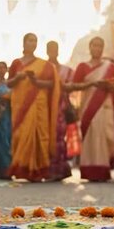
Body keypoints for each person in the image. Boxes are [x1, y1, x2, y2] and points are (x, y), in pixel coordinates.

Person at [69, 37, 114, 182]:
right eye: (94, 45)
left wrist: (108, 87)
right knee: (90, 137)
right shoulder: (83, 67)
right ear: (90, 47)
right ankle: (90, 171)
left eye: (100, 46)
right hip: (88, 107)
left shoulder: (110, 67)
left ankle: (104, 169)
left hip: (105, 106)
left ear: (103, 48)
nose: (97, 48)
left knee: (106, 136)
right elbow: (74, 86)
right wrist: (92, 83)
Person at [7, 33, 60, 182]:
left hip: (38, 103)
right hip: (20, 105)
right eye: (30, 40)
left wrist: (36, 81)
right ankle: (22, 169)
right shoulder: (16, 63)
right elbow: (9, 83)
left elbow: (51, 84)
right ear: (24, 43)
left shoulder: (45, 65)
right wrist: (17, 78)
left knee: (40, 133)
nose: (33, 43)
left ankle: (39, 170)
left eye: (35, 41)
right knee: (21, 134)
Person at [46, 40, 72, 181]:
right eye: (50, 48)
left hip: (60, 108)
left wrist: (60, 85)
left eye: (55, 48)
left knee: (59, 137)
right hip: (44, 108)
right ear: (46, 50)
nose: (53, 51)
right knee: (45, 137)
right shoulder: (42, 68)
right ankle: (46, 169)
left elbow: (72, 87)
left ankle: (59, 170)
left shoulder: (66, 70)